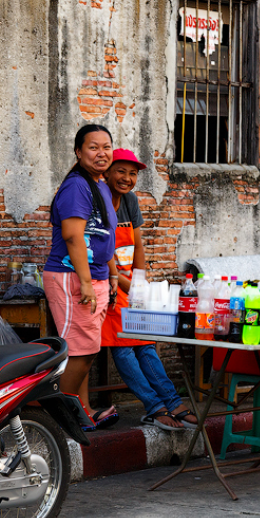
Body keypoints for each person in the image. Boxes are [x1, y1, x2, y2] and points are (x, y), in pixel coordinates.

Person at [99, 148, 197, 431]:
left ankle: (171, 401)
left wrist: (141, 283)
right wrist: (133, 287)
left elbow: (138, 245)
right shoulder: (99, 200)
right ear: (107, 172)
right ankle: (155, 407)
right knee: (124, 348)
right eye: (121, 171)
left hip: (131, 284)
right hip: (109, 283)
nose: (127, 179)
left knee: (145, 342)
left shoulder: (130, 201)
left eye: (132, 174)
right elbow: (99, 252)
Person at [44, 125, 119, 431]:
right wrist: (86, 282)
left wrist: (111, 273)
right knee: (81, 352)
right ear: (78, 151)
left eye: (106, 147)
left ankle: (82, 411)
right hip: (73, 278)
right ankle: (58, 420)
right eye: (93, 147)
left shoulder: (99, 183)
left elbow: (104, 235)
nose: (101, 153)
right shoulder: (77, 186)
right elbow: (74, 237)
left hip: (95, 277)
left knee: (84, 350)